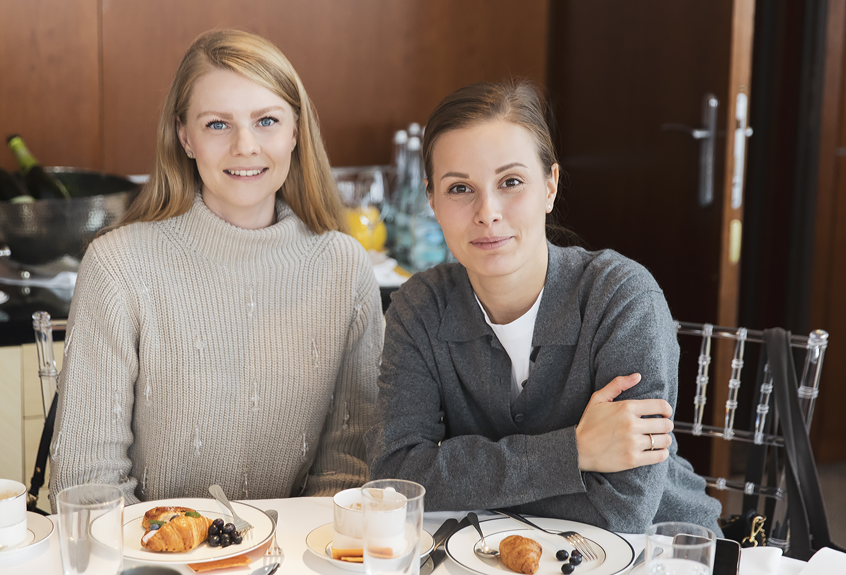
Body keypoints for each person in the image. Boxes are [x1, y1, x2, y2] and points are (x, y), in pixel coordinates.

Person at [365, 80, 722, 534]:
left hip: (660, 552)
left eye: (511, 182)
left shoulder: (621, 298)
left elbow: (622, 509)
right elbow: (396, 480)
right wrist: (574, 452)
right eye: (459, 189)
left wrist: (459, 480)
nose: (487, 211)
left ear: (550, 186)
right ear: (431, 199)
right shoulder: (420, 307)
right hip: (493, 555)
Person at [49, 29, 382, 509]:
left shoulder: (345, 267)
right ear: (185, 136)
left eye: (266, 120)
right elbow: (86, 479)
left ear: (295, 131)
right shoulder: (117, 265)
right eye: (217, 125)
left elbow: (349, 469)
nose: (245, 146)